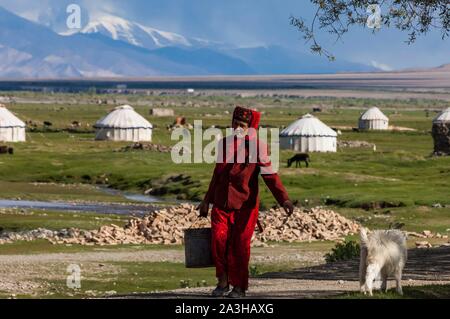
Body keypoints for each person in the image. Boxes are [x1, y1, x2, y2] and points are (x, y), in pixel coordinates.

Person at [198, 106, 294, 298]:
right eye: (235, 123)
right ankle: (223, 282)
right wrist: (206, 201)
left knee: (240, 246)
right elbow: (217, 175)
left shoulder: (259, 148)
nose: (237, 128)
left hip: (245, 207)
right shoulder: (224, 144)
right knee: (218, 241)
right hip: (221, 203)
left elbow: (270, 177)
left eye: (242, 125)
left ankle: (239, 287)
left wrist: (284, 199)